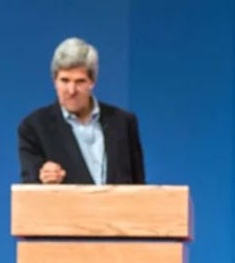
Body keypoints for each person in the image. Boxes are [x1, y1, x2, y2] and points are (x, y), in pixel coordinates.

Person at [17, 37, 145, 185]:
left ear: (92, 82)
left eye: (80, 81)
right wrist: (43, 180)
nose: (71, 90)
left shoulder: (123, 123)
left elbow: (139, 187)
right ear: (54, 82)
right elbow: (29, 192)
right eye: (64, 80)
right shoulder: (34, 128)